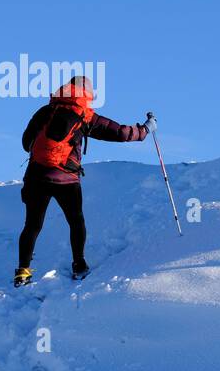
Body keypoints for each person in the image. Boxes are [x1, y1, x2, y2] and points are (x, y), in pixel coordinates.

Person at [15, 76, 150, 287]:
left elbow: (26, 143)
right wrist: (146, 129)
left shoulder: (45, 111)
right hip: (66, 179)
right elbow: (120, 133)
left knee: (32, 225)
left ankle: (22, 272)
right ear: (86, 93)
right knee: (76, 221)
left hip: (36, 176)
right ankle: (79, 264)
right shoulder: (86, 115)